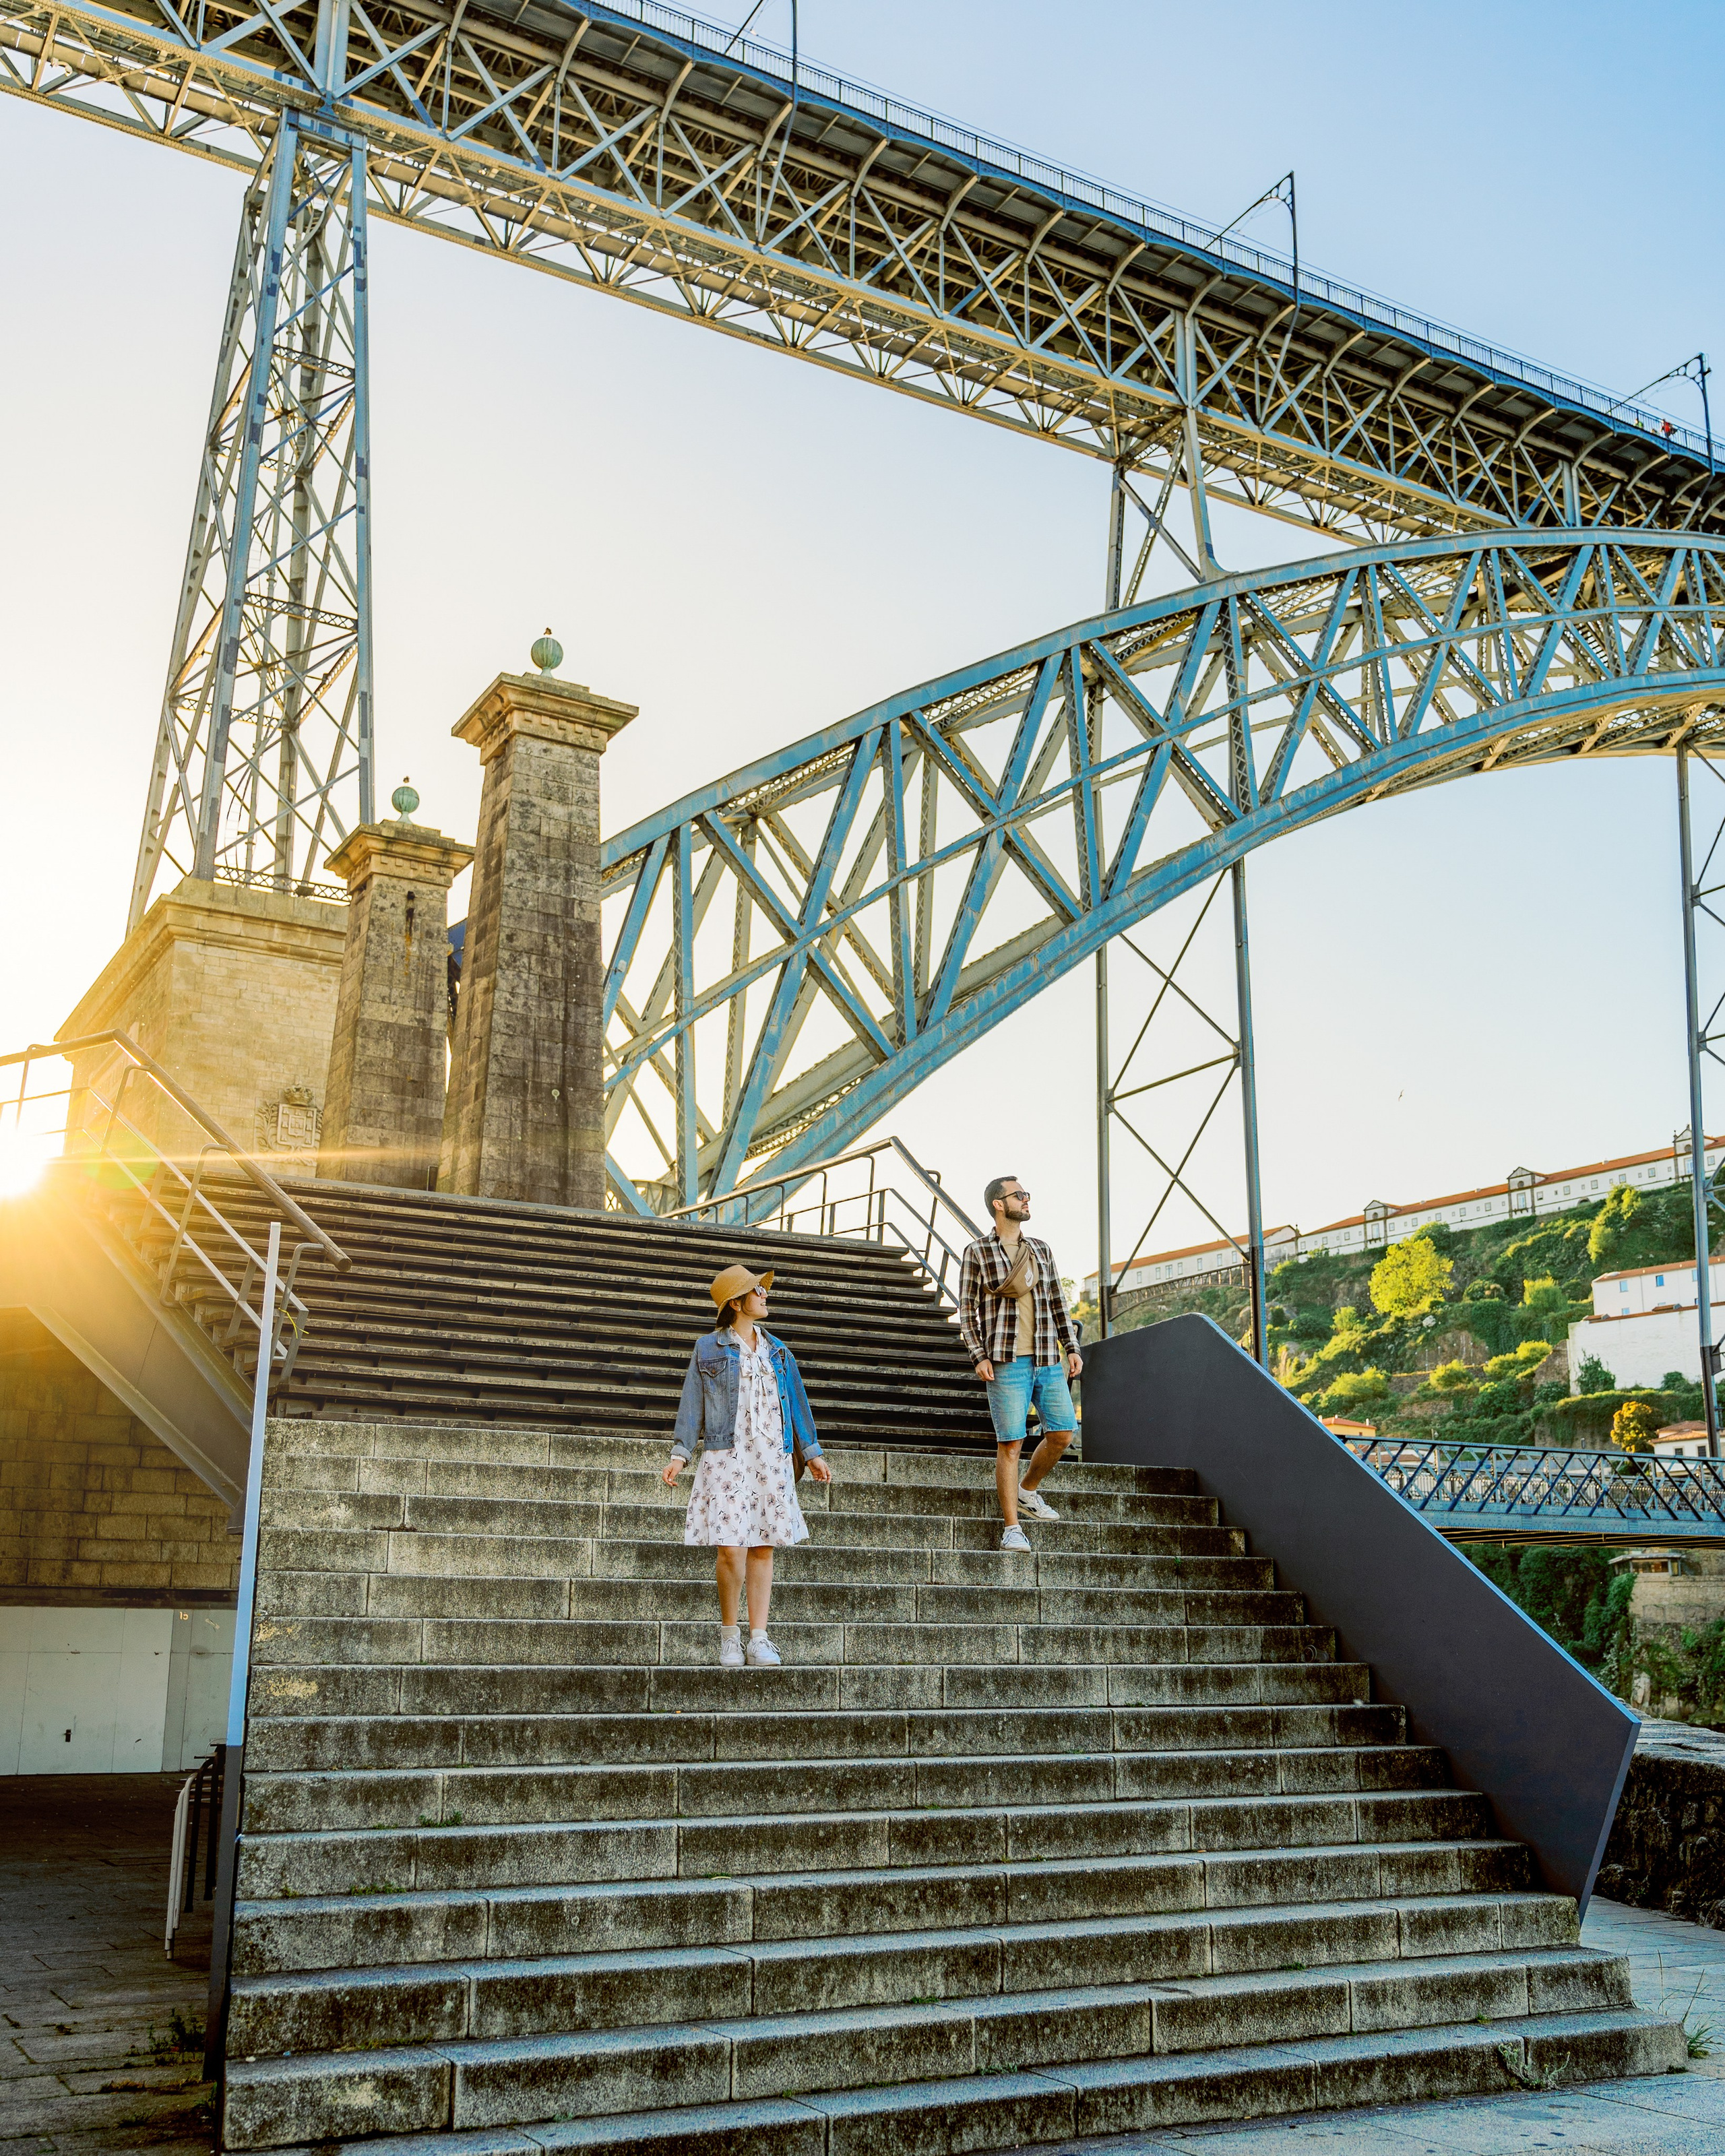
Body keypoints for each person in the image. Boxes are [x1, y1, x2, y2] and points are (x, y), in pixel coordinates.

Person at [662, 1263, 832, 1666]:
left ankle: (758, 1637)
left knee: (762, 1547)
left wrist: (812, 1452)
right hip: (725, 1456)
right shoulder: (708, 1348)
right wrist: (681, 1453)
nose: (765, 1295)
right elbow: (692, 1404)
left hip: (771, 1456)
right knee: (729, 1551)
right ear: (736, 1302)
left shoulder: (779, 1352)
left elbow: (798, 1404)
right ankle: (729, 1635)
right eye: (757, 1291)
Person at [958, 1176, 1084, 1551]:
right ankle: (1012, 1529)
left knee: (1063, 1434)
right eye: (1019, 1195)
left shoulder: (1040, 1250)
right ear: (999, 1204)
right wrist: (979, 1355)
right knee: (1011, 1444)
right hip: (1006, 1360)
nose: (1027, 1200)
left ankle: (1028, 1491)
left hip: (1047, 1356)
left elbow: (1058, 1300)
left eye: (1026, 1195)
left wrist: (1071, 1346)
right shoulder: (977, 1252)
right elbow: (966, 1311)